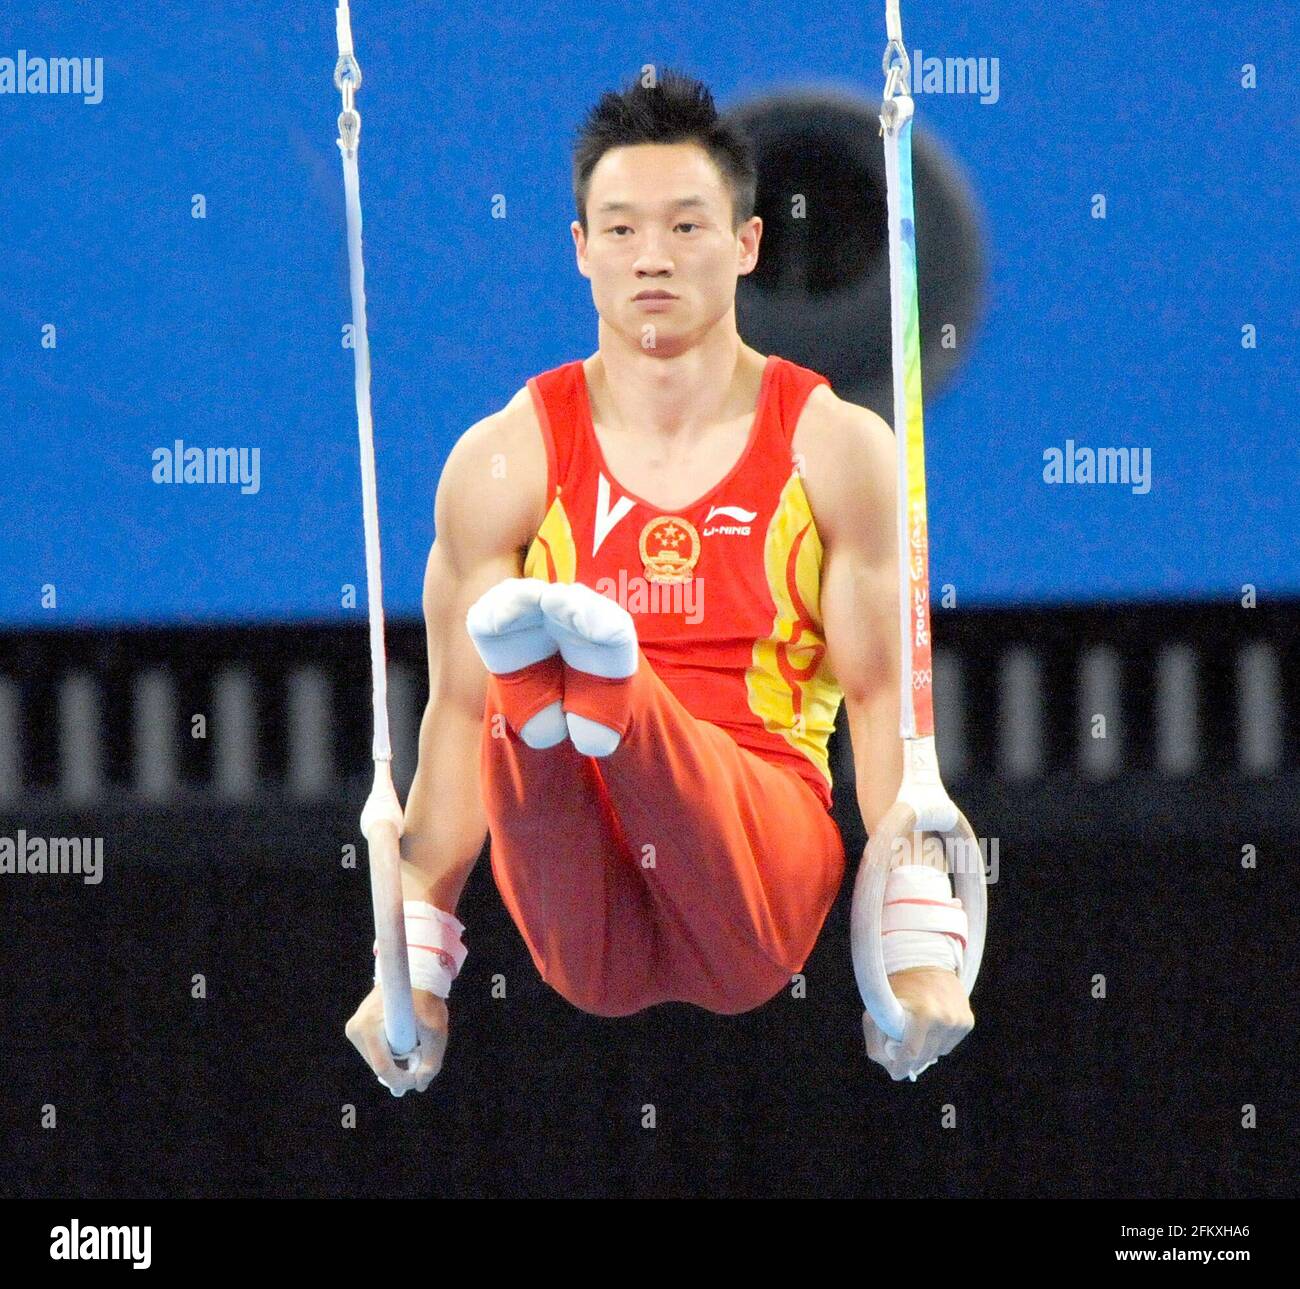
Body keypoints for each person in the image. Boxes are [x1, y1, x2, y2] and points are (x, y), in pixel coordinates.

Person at [346, 69, 974, 1092]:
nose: (652, 258)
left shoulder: (833, 449)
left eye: (686, 227)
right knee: (513, 729)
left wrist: (917, 944)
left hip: (756, 855)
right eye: (623, 229)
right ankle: (570, 692)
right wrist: (410, 960)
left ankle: (605, 691)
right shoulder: (503, 460)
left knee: (571, 706)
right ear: (580, 249)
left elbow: (885, 710)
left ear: (746, 245)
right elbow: (455, 727)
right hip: (580, 888)